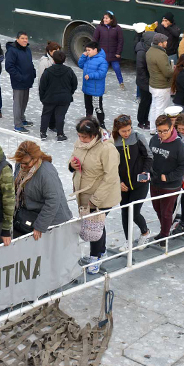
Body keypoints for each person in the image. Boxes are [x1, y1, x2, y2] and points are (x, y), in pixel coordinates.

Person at [69, 117, 120, 274]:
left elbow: (110, 177)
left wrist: (96, 199)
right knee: (97, 224)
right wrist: (71, 165)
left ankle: (95, 257)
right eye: (79, 136)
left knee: (94, 225)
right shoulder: (80, 143)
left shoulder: (107, 149)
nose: (81, 140)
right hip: (85, 193)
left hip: (102, 195)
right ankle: (101, 251)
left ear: (94, 135)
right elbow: (74, 157)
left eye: (84, 137)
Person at [10, 140, 72, 245]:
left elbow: (53, 201)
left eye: (26, 163)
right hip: (30, 216)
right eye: (20, 162)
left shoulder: (46, 172)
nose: (22, 166)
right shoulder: (20, 164)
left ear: (35, 159)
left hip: (52, 224)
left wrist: (40, 226)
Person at [112, 115, 153, 251]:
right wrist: (118, 181)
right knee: (125, 212)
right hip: (123, 185)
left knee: (134, 212)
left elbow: (149, 156)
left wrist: (145, 172)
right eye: (124, 131)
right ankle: (128, 241)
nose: (127, 133)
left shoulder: (138, 137)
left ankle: (145, 232)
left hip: (140, 183)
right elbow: (110, 165)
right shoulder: (112, 142)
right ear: (117, 130)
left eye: (129, 130)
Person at [148, 114, 184, 239]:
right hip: (154, 182)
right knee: (157, 208)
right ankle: (165, 228)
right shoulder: (154, 139)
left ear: (171, 128)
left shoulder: (179, 146)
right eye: (159, 131)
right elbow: (149, 157)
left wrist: (169, 177)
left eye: (165, 131)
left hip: (170, 185)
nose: (162, 134)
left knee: (166, 212)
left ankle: (164, 236)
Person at [38, 49, 77, 141]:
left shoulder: (48, 71)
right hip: (64, 98)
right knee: (60, 116)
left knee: (46, 115)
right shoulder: (69, 71)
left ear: (53, 60)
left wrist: (42, 97)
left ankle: (43, 133)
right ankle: (60, 134)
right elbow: (74, 84)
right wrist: (69, 93)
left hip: (49, 98)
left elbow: (42, 86)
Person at [5, 31, 36, 133]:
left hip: (27, 80)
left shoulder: (27, 50)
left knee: (24, 102)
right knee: (18, 103)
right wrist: (19, 77)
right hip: (18, 82)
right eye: (22, 38)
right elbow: (9, 66)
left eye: (26, 38)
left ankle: (22, 119)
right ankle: (18, 125)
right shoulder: (12, 51)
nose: (25, 40)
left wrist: (33, 73)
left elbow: (30, 63)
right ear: (17, 39)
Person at [147, 34, 174, 133]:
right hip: (161, 86)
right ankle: (159, 130)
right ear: (160, 43)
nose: (167, 43)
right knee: (161, 109)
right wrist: (172, 69)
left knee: (154, 107)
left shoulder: (150, 51)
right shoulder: (161, 55)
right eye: (165, 41)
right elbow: (167, 72)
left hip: (153, 84)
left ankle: (153, 129)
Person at [78, 41, 109, 128]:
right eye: (86, 50)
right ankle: (88, 123)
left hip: (96, 90)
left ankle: (101, 124)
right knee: (88, 108)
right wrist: (83, 56)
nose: (87, 52)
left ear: (95, 50)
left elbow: (102, 73)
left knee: (98, 108)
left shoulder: (102, 61)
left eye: (89, 50)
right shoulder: (88, 58)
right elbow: (80, 65)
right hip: (87, 89)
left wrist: (91, 75)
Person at [93, 11, 125, 89]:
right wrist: (95, 51)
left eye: (107, 18)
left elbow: (121, 41)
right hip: (103, 55)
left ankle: (121, 83)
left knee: (117, 69)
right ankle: (101, 86)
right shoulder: (99, 27)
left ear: (111, 19)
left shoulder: (117, 28)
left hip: (114, 54)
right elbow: (94, 40)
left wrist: (118, 52)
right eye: (104, 18)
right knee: (103, 71)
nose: (105, 19)